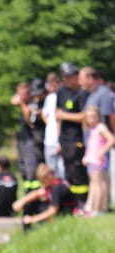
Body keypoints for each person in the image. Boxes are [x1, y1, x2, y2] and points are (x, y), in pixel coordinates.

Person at [56, 62, 89, 206]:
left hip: (77, 138)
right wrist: (58, 140)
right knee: (68, 173)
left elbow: (85, 116)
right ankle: (72, 204)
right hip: (64, 139)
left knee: (78, 173)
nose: (68, 80)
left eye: (70, 76)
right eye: (65, 77)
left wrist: (66, 116)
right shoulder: (62, 92)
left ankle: (82, 202)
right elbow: (58, 116)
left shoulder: (82, 93)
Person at [11, 79, 46, 212]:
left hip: (33, 142)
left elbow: (29, 119)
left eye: (23, 94)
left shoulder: (34, 104)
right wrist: (19, 100)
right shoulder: (23, 101)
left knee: (33, 173)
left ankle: (34, 201)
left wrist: (22, 105)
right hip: (23, 142)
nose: (21, 97)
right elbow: (12, 100)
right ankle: (28, 198)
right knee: (25, 172)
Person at [12, 163, 78, 226]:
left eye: (43, 180)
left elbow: (52, 211)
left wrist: (33, 219)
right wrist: (21, 202)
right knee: (29, 203)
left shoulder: (57, 187)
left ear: (49, 176)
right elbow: (37, 193)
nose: (42, 183)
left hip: (64, 213)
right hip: (57, 210)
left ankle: (30, 230)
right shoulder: (52, 183)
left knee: (32, 207)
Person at [81, 105, 114, 215]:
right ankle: (95, 207)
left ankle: (96, 209)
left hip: (97, 161)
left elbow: (111, 139)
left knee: (98, 185)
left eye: (93, 117)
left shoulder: (100, 127)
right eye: (89, 117)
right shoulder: (92, 129)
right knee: (96, 184)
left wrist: (102, 152)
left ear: (98, 117)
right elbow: (91, 146)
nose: (91, 119)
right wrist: (86, 156)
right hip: (92, 160)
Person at [41, 72, 64, 179]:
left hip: (59, 141)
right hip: (49, 140)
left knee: (62, 171)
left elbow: (61, 119)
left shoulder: (63, 96)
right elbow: (44, 114)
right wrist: (50, 125)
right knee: (51, 172)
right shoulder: (49, 98)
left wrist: (60, 140)